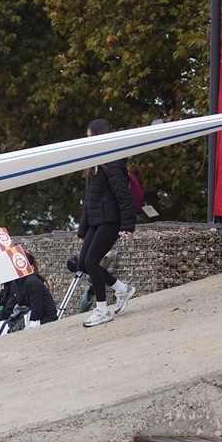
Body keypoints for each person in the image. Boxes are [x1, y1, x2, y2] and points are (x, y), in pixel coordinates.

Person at [77, 119, 137, 328]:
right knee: (83, 263)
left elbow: (124, 196)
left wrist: (128, 226)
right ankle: (122, 289)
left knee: (92, 262)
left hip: (111, 221)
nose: (87, 140)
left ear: (100, 135)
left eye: (90, 136)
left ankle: (102, 310)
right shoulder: (91, 166)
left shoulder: (112, 163)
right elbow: (89, 201)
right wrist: (82, 229)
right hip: (96, 221)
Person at [0, 249, 58, 346]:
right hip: (8, 316)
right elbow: (0, 304)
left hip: (23, 318)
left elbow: (9, 308)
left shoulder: (20, 282)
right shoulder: (11, 283)